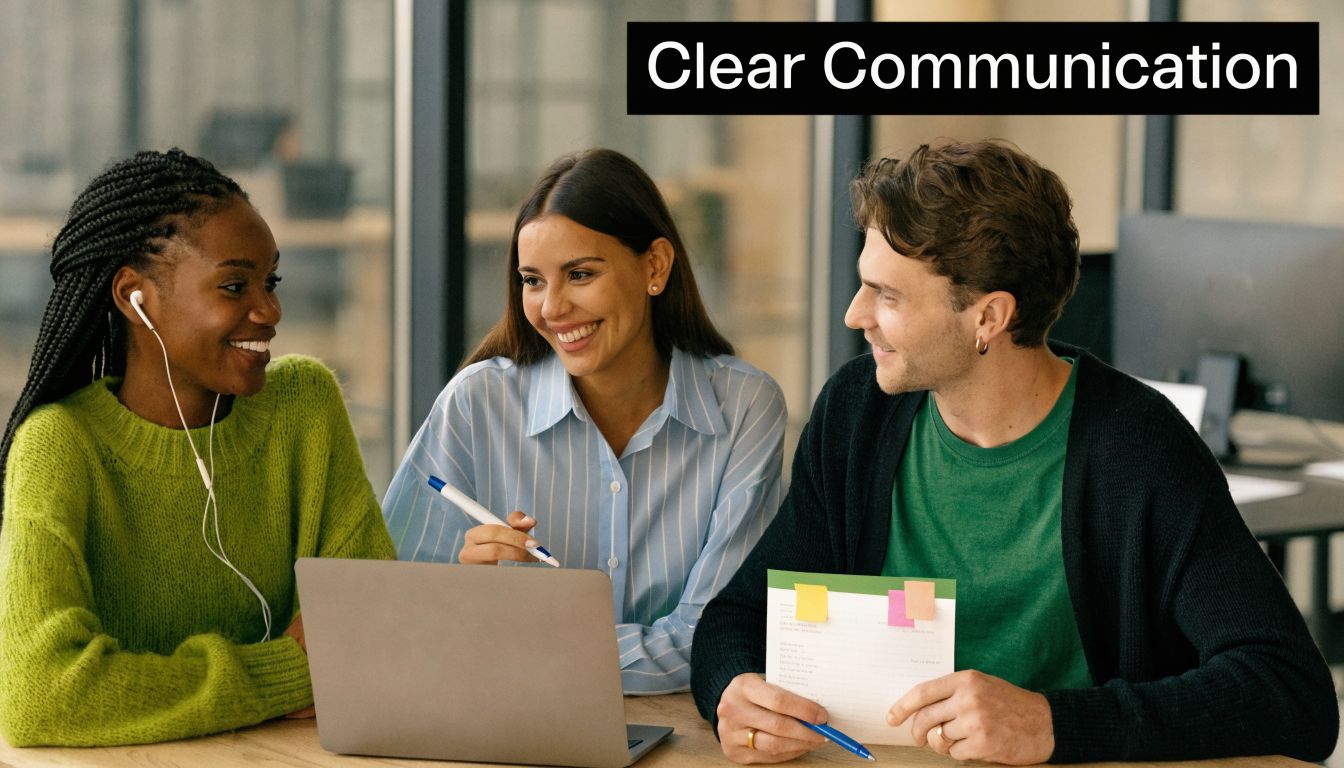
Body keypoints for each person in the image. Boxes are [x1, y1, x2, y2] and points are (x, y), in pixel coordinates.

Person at [690, 139, 1337, 764]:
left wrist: (1055, 724)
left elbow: (1290, 692)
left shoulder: (1139, 448)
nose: (854, 314)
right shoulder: (859, 412)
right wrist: (734, 687)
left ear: (988, 318)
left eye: (887, 296)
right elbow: (741, 616)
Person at [0, 149, 395, 746]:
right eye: (235, 285)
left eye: (270, 282)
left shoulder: (302, 407)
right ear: (136, 296)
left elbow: (375, 636)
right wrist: (289, 671)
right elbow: (40, 695)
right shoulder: (60, 445)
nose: (269, 310)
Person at [382, 148, 786, 695]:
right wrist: (465, 595)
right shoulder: (476, 405)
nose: (551, 308)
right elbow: (395, 617)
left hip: (681, 737)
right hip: (504, 725)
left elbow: (713, 634)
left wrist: (508, 644)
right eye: (532, 280)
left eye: (579, 274)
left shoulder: (744, 408)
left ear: (655, 267)